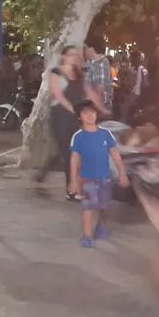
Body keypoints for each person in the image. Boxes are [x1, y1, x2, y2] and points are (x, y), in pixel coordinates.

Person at [40, 45, 105, 201]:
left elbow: (90, 93)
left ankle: (45, 175)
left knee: (74, 152)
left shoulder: (80, 75)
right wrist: (76, 111)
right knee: (70, 154)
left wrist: (102, 108)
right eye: (71, 54)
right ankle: (71, 191)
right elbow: (59, 96)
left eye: (77, 55)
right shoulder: (56, 73)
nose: (75, 57)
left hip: (75, 118)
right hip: (60, 118)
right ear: (63, 56)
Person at [69, 100, 129, 248]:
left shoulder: (105, 133)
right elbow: (74, 159)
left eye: (93, 112)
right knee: (88, 207)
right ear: (79, 117)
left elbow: (115, 155)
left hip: (105, 177)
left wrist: (122, 174)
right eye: (85, 113)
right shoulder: (78, 136)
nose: (90, 115)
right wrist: (73, 180)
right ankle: (87, 235)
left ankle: (101, 226)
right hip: (87, 178)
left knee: (104, 206)